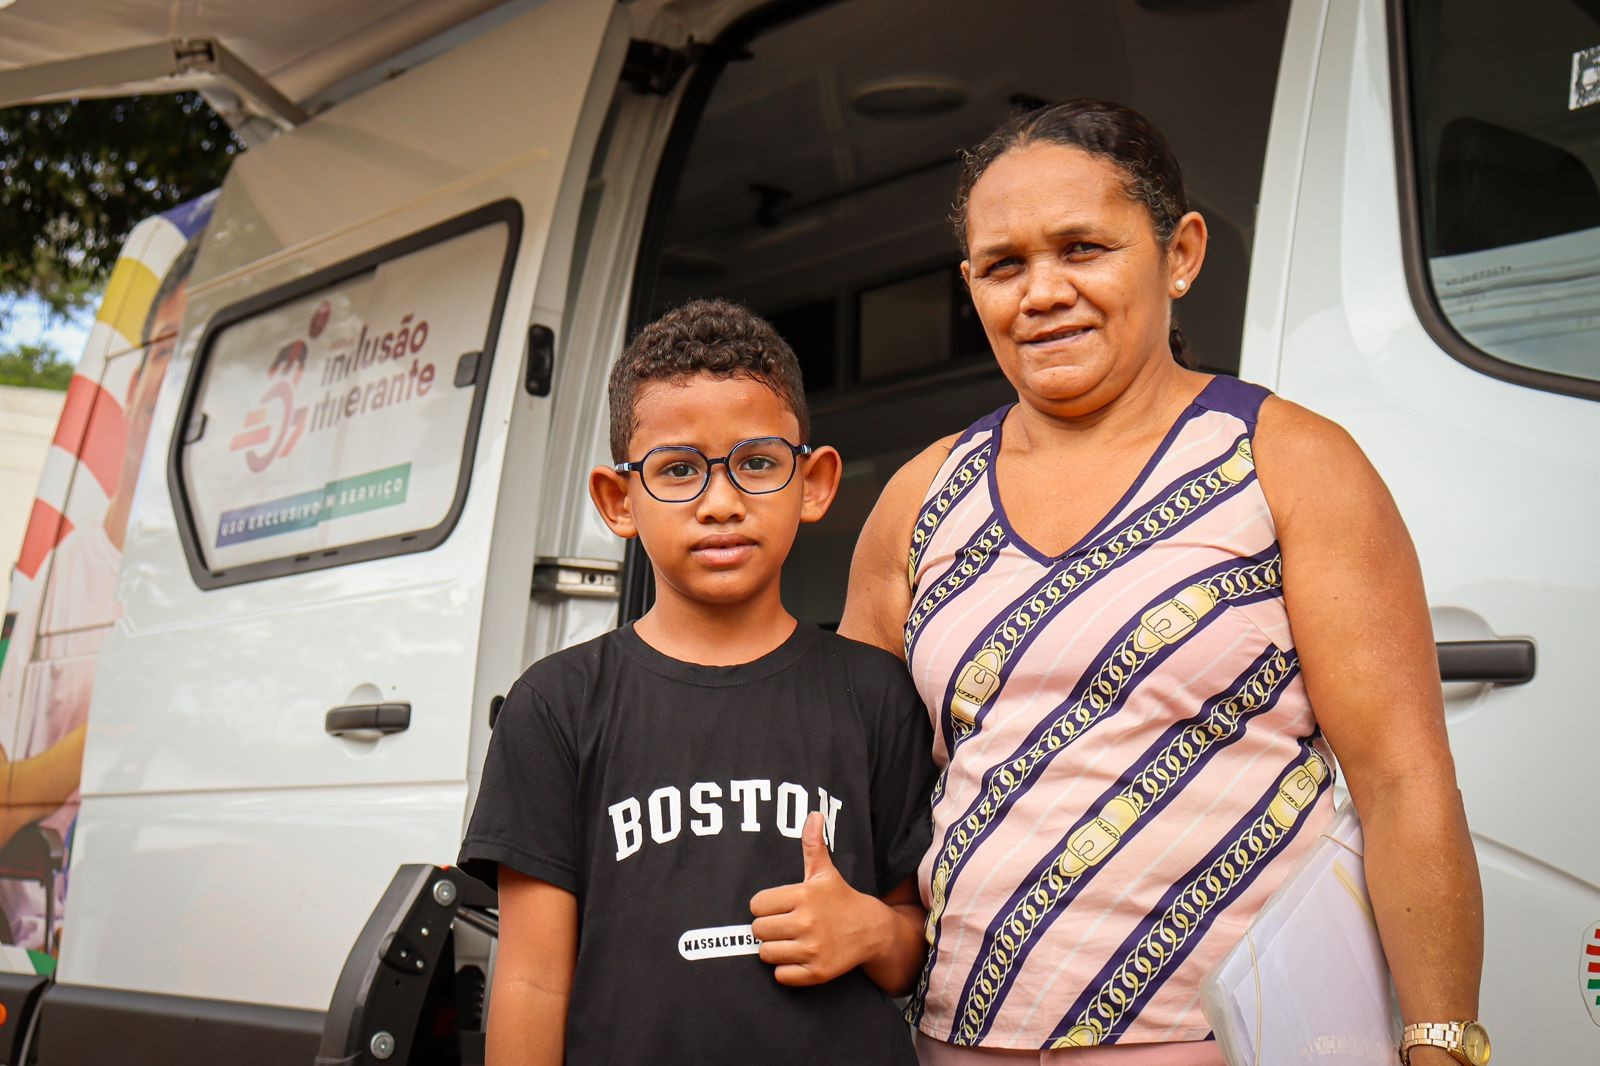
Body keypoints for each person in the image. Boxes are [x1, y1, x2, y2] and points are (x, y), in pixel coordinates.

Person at [839, 100, 1485, 1065]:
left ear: (1179, 254)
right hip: (956, 1038)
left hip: (1223, 1041)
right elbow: (860, 785)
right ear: (971, 286)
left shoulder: (1289, 462)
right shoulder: (921, 497)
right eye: (1004, 265)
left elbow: (1402, 780)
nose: (1042, 292)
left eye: (1083, 249)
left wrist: (1439, 1044)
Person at [457, 299, 938, 1065]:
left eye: (758, 464)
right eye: (678, 470)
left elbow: (917, 945)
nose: (720, 504)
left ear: (814, 483)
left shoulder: (876, 695)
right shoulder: (556, 706)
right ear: (618, 500)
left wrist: (871, 930)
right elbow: (531, 982)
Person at [0, 233, 199, 952]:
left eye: (197, 356)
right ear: (135, 378)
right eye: (165, 349)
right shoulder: (67, 570)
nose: (172, 378)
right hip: (53, 941)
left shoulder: (221, 584)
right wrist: (112, 728)